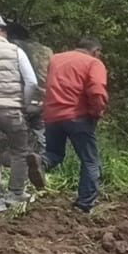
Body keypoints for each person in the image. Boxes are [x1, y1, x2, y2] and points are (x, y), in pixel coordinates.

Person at [41, 38, 109, 214]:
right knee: (90, 161)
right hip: (78, 116)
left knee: (54, 153)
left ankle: (41, 162)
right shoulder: (93, 63)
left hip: (52, 115)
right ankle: (85, 204)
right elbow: (97, 90)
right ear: (96, 51)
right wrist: (97, 113)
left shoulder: (55, 59)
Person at [0, 15, 43, 212]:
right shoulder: (15, 51)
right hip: (11, 110)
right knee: (19, 151)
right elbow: (32, 82)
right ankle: (15, 193)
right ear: (3, 31)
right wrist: (23, 104)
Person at [9, 21, 51, 155]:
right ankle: (43, 162)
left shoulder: (11, 50)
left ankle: (15, 161)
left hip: (16, 99)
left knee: (13, 137)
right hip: (41, 99)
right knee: (41, 134)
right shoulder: (45, 51)